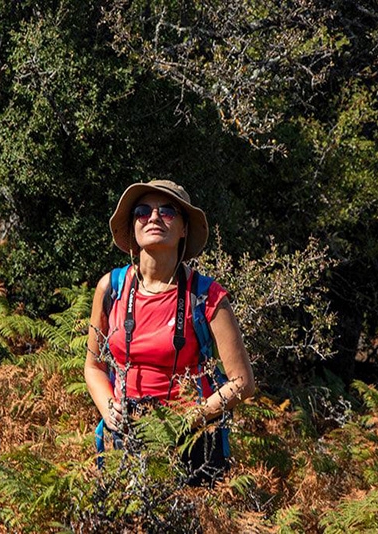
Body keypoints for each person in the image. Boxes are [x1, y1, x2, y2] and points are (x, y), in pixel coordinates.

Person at [84, 179, 255, 485]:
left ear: (184, 228)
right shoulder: (111, 288)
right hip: (126, 433)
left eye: (167, 212)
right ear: (133, 225)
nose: (152, 218)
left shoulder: (206, 296)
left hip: (191, 442)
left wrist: (189, 419)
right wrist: (109, 407)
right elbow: (94, 365)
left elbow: (242, 382)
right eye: (141, 211)